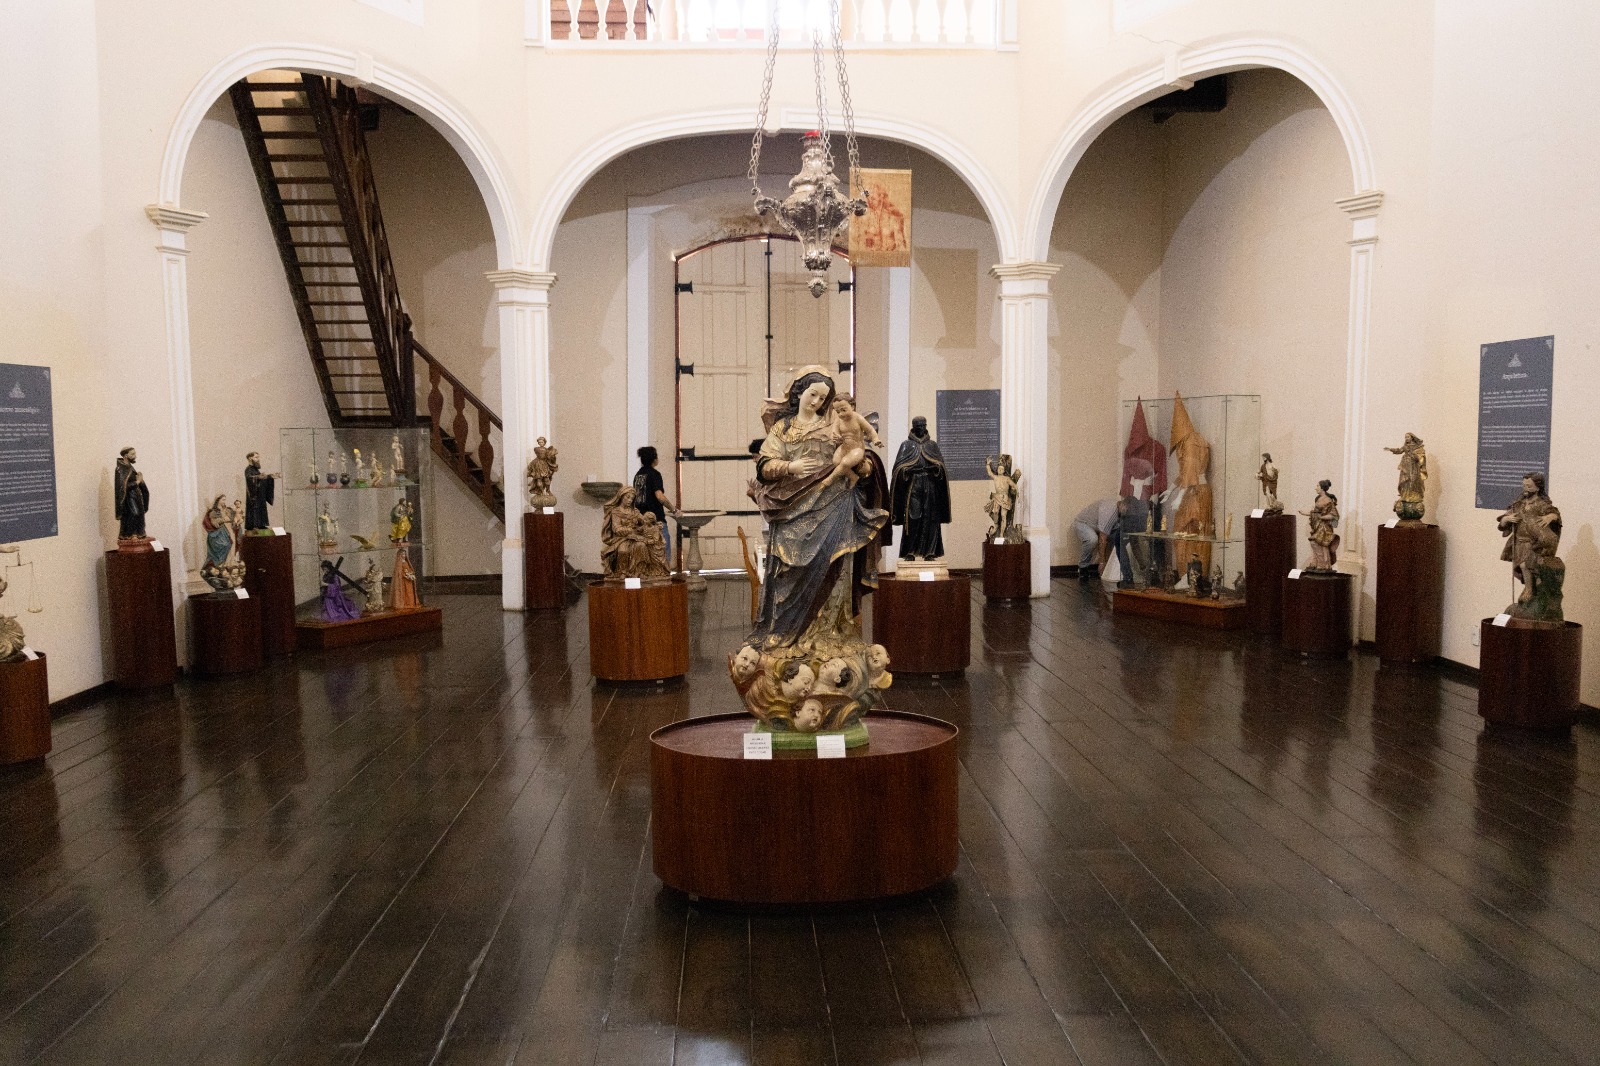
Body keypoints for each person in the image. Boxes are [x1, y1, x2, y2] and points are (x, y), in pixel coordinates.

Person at [889, 416, 951, 560]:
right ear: (913, 427)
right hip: (914, 485)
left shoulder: (932, 445)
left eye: (923, 425)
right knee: (913, 517)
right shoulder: (906, 445)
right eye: (918, 426)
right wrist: (907, 471)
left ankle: (930, 552)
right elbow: (898, 469)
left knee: (931, 517)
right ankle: (910, 551)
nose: (921, 428)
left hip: (930, 484)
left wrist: (936, 468)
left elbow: (941, 467)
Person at [631, 446, 680, 559]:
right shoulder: (654, 474)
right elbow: (660, 497)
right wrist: (674, 510)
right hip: (656, 520)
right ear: (654, 459)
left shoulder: (637, 475)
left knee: (646, 556)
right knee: (663, 553)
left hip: (641, 521)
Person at [1073, 498, 1120, 576]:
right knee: (1092, 539)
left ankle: (1113, 568)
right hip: (1083, 523)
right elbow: (1102, 538)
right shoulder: (1109, 511)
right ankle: (1083, 567)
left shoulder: (1122, 512)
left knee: (1119, 537)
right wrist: (1102, 562)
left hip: (1098, 525)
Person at [114, 447, 150, 542]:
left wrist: (141, 482)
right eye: (132, 454)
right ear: (126, 456)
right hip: (128, 498)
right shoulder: (120, 469)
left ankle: (138, 534)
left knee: (140, 514)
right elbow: (122, 487)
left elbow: (135, 480)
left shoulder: (130, 467)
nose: (135, 456)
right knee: (134, 514)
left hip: (136, 496)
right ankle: (130, 534)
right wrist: (137, 482)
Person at [244, 452, 278, 531]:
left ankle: (261, 524)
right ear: (250, 458)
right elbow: (249, 479)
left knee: (261, 508)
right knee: (255, 509)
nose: (258, 459)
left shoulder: (256, 470)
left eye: (258, 457)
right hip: (253, 496)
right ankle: (254, 525)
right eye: (256, 457)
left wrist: (271, 476)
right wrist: (258, 477)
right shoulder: (248, 469)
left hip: (260, 495)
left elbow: (262, 479)